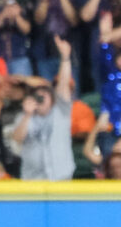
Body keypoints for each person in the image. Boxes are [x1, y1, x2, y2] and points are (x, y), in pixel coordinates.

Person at [14, 37, 75, 181]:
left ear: (52, 98)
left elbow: (64, 83)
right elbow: (17, 139)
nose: (41, 98)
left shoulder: (61, 111)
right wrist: (27, 116)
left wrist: (65, 57)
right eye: (37, 96)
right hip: (33, 180)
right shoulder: (23, 117)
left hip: (61, 178)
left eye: (44, 94)